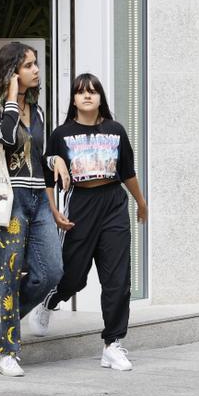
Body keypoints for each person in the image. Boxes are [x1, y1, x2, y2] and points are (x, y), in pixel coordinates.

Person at [34, 74, 147, 371]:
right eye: (81, 92)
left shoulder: (116, 130)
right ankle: (49, 301)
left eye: (93, 91)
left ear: (101, 98)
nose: (87, 96)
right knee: (74, 276)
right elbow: (48, 180)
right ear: (73, 99)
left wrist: (141, 202)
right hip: (80, 206)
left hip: (113, 203)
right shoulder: (61, 134)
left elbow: (127, 172)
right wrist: (53, 212)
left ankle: (112, 343)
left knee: (118, 279)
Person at [0, 41, 67, 377]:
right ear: (12, 71)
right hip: (7, 198)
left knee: (53, 271)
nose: (36, 71)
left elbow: (35, 154)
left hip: (37, 200)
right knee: (8, 274)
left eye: (36, 64)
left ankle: (4, 308)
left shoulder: (39, 111)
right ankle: (6, 351)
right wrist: (11, 97)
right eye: (28, 65)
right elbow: (6, 137)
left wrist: (54, 160)